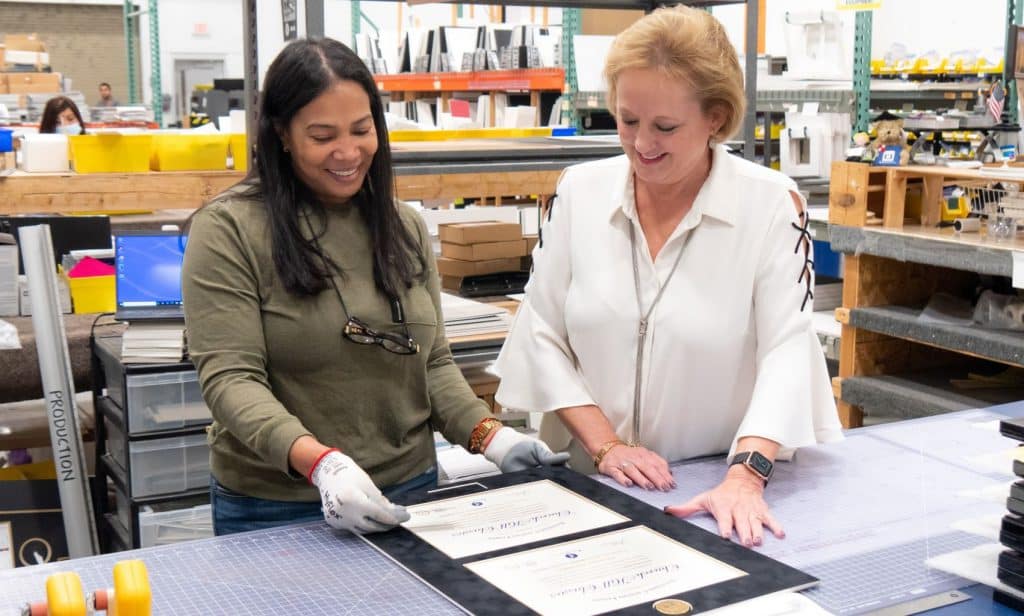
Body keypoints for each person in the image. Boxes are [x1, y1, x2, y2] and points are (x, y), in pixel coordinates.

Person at [181, 37, 567, 537]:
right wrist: (321, 465)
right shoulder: (229, 230)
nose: (348, 152)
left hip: (411, 489)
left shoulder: (401, 226)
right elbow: (231, 380)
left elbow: (431, 363)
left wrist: (491, 437)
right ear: (281, 134)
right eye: (322, 136)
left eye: (362, 130)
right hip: (278, 505)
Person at [494, 5, 843, 549]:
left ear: (716, 118)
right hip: (588, 482)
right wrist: (608, 447)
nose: (641, 144)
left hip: (706, 490)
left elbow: (787, 351)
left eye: (666, 127)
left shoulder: (770, 205)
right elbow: (541, 330)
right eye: (627, 120)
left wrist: (745, 476)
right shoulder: (579, 192)